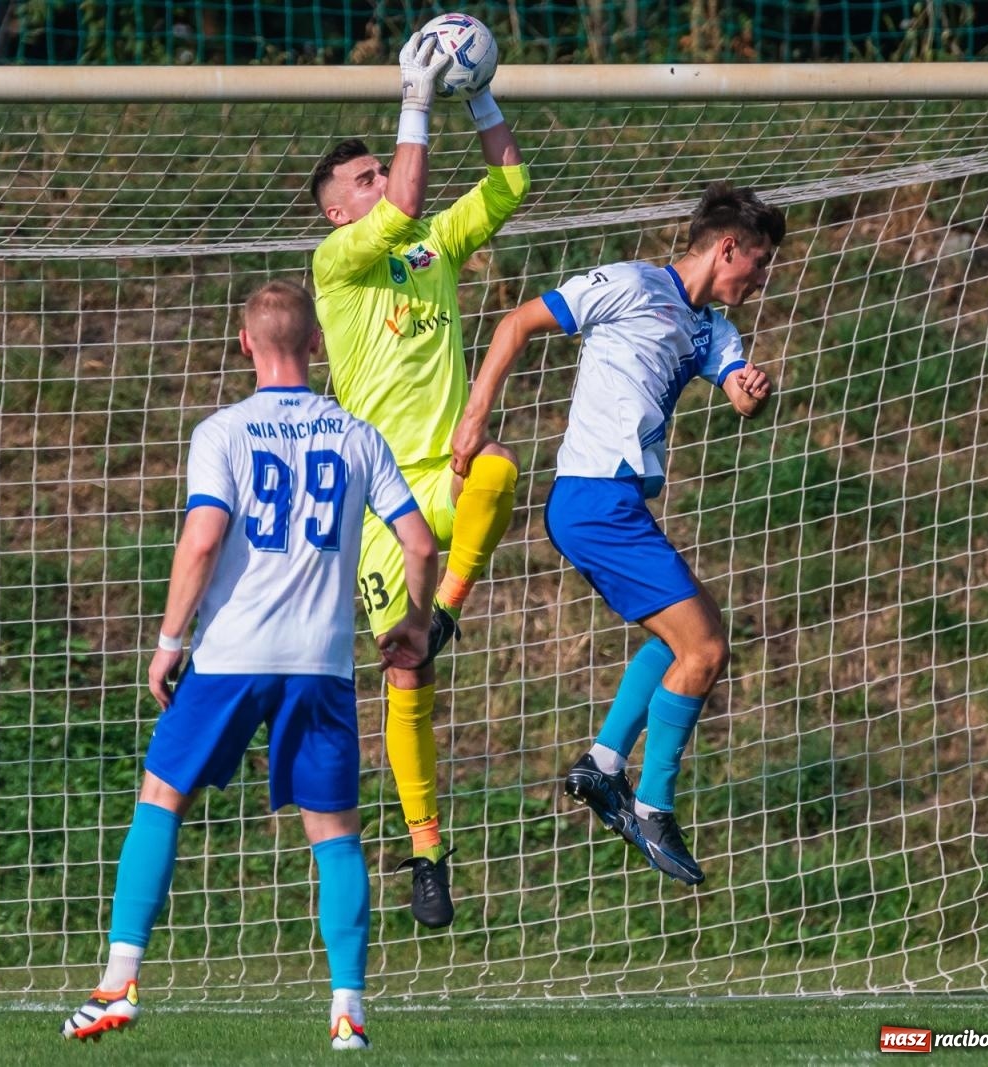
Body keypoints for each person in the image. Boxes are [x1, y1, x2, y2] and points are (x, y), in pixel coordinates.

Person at [59, 280, 438, 1050]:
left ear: (243, 345)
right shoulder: (358, 434)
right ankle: (348, 1012)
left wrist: (170, 640)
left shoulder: (223, 431)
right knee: (334, 831)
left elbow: (203, 539)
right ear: (316, 345)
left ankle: (118, 982)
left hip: (231, 653)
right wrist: (416, 621)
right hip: (321, 661)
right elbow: (421, 543)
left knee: (162, 795)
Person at [450, 181, 786, 886]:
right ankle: (653, 806)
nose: (761, 279)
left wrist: (751, 392)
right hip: (592, 499)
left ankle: (603, 765)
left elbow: (738, 394)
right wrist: (475, 419)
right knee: (705, 649)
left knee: (685, 638)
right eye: (759, 263)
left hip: (618, 505)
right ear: (728, 248)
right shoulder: (631, 284)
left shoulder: (713, 330)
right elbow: (517, 323)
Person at [309, 31, 529, 926]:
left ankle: (446, 609)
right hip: (378, 503)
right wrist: (416, 95)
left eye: (378, 171)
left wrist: (478, 96)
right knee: (407, 681)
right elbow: (404, 201)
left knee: (501, 467)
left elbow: (510, 185)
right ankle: (427, 851)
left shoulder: (432, 245)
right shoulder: (336, 266)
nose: (380, 182)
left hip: (445, 473)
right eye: (361, 180)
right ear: (338, 213)